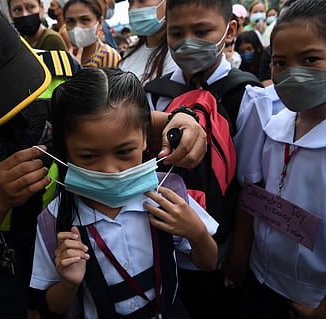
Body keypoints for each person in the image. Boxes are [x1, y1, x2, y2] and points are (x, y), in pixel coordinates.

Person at [0, 0, 208, 318]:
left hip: (73, 233)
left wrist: (179, 119)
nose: (13, 104)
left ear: (15, 40)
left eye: (12, 79)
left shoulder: (56, 70)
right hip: (2, 258)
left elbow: (112, 119)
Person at [30, 67, 218, 318]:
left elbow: (208, 262)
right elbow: (54, 305)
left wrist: (195, 233)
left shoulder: (168, 195)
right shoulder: (55, 221)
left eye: (124, 152)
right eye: (88, 156)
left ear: (145, 137)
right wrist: (69, 283)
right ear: (65, 149)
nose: (110, 170)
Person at [147, 0, 263, 318]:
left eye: (201, 31)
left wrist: (238, 256)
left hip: (219, 252)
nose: (187, 42)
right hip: (161, 250)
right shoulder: (155, 94)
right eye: (176, 33)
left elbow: (250, 187)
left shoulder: (247, 98)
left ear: (230, 31)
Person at [227, 0, 326, 318]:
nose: (293, 74)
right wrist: (240, 259)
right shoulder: (271, 123)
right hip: (259, 278)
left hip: (307, 299)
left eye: (310, 59)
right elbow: (251, 195)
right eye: (280, 63)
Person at [119, 0, 178, 85]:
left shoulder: (178, 55)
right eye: (130, 2)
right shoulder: (131, 50)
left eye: (142, 0)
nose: (133, 9)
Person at [63, 0, 120, 68]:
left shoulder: (108, 56)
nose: (77, 27)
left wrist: (77, 69)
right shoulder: (66, 56)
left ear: (100, 23)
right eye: (70, 21)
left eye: (85, 20)